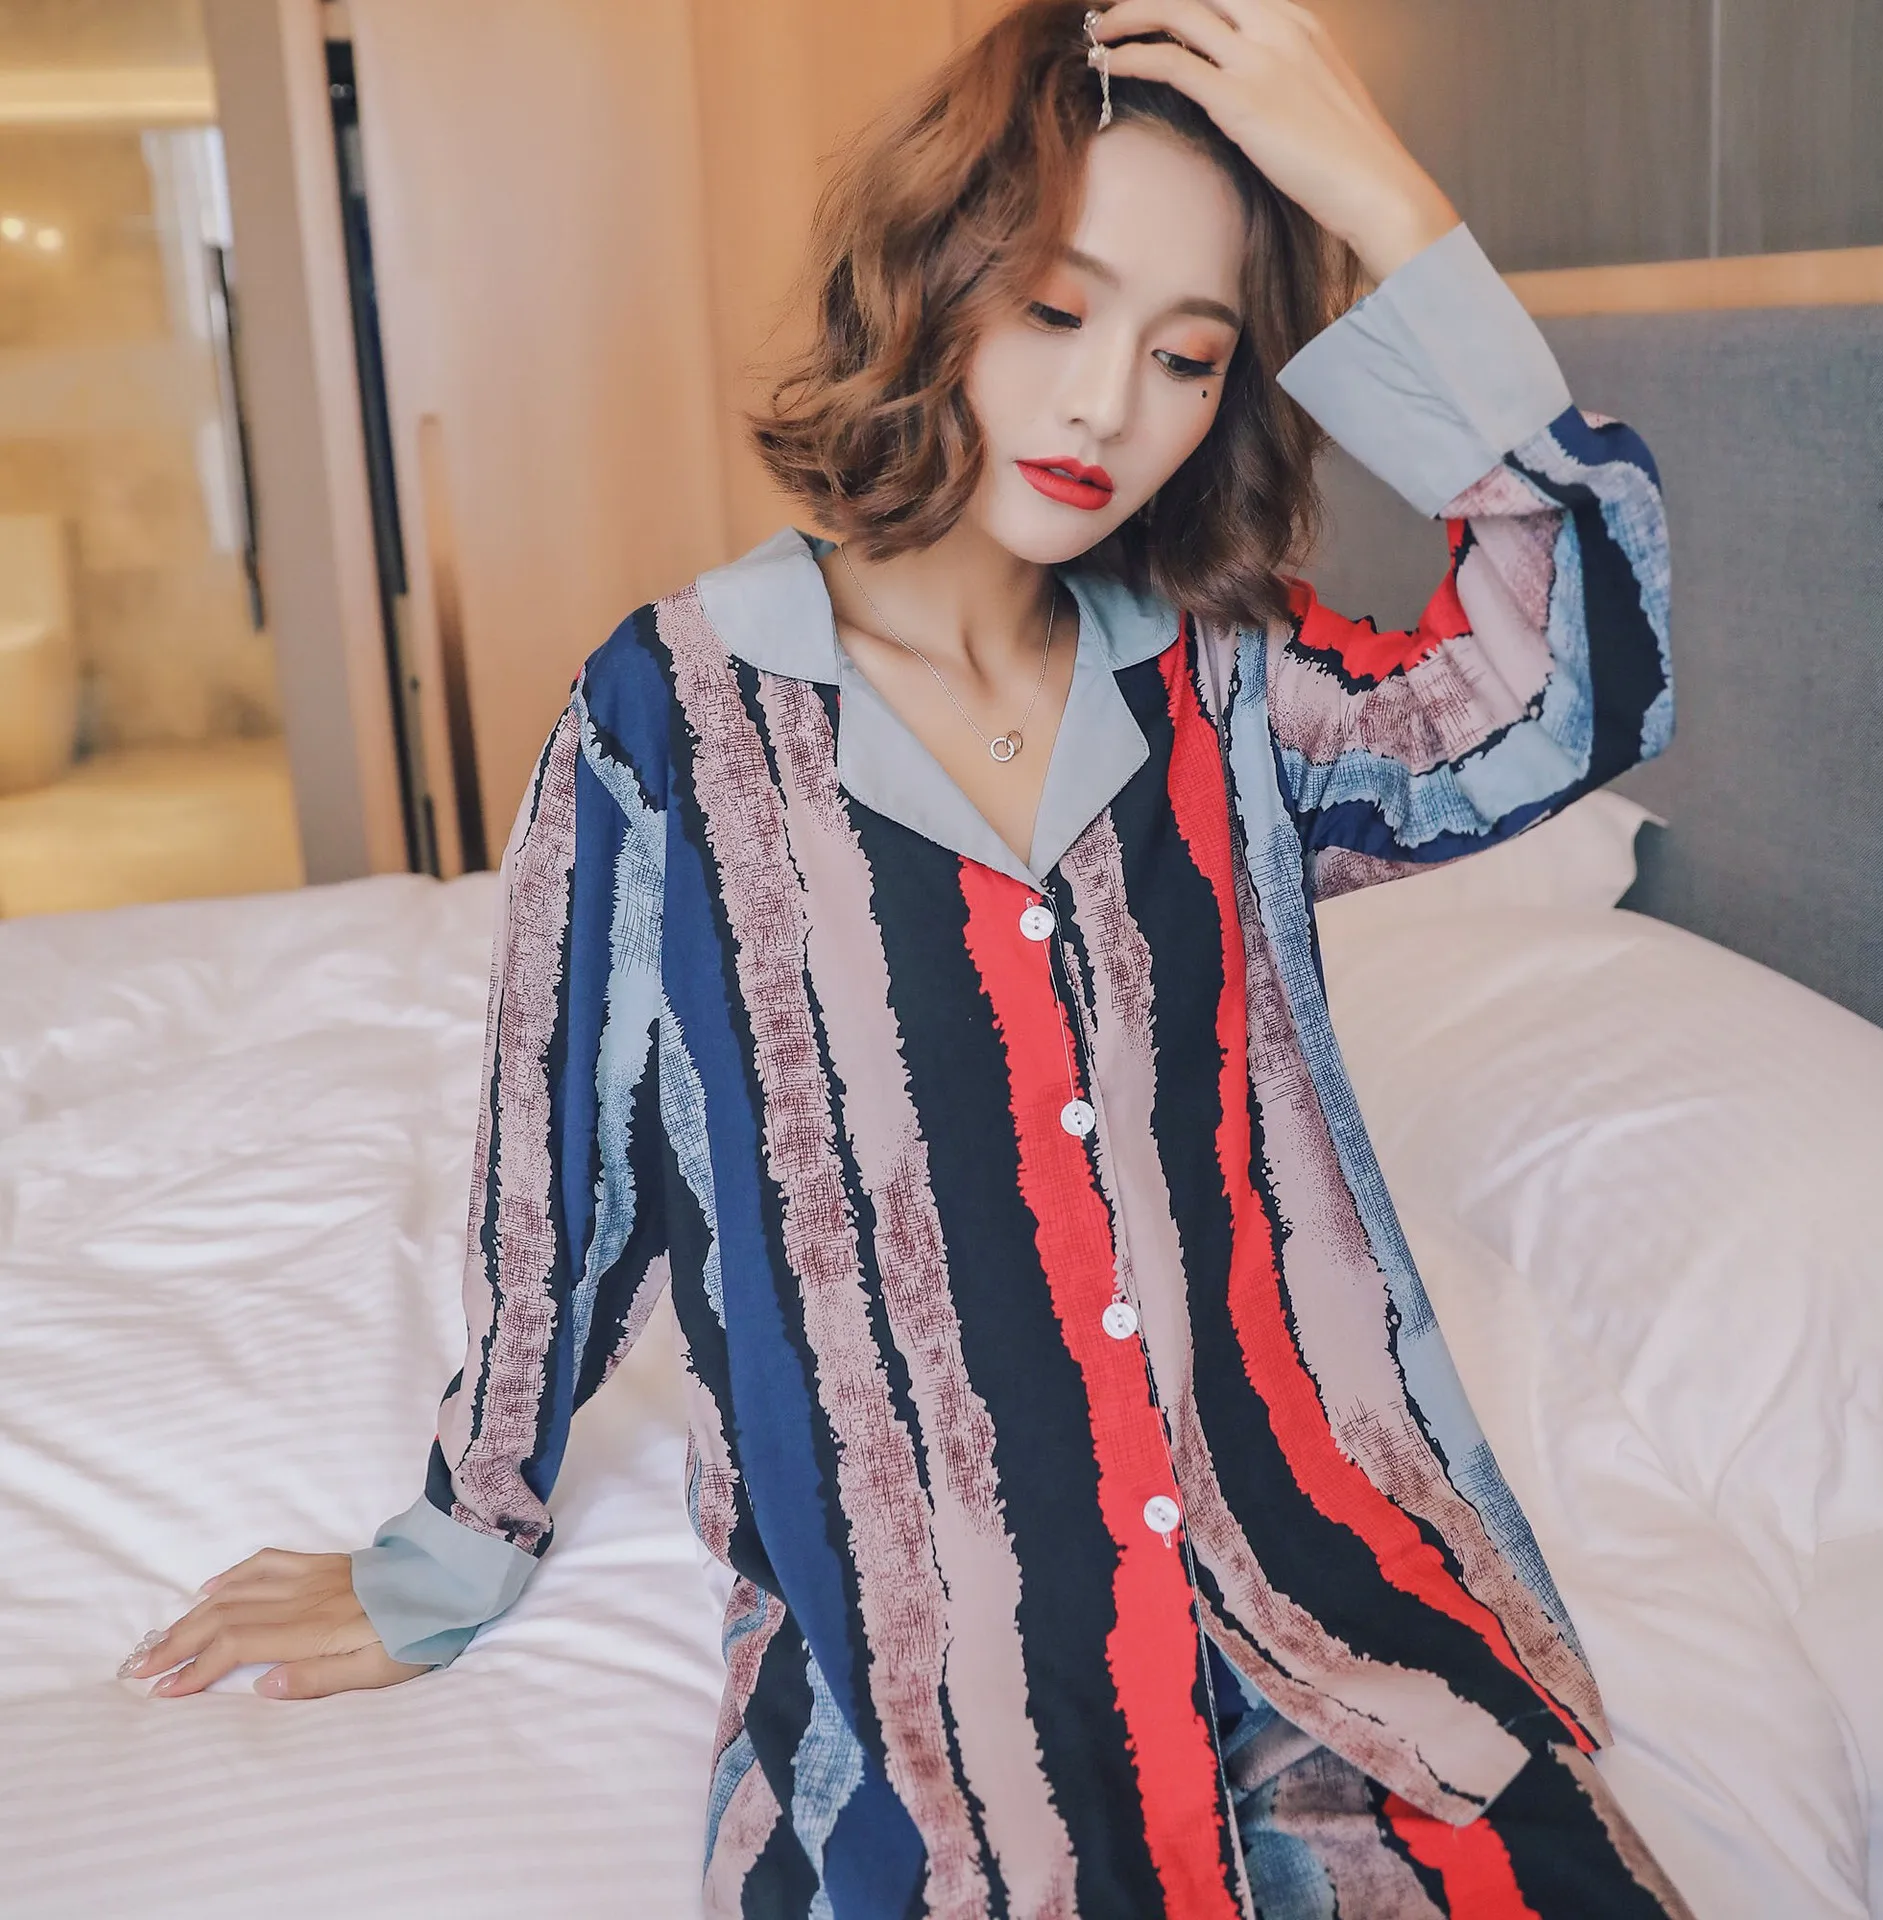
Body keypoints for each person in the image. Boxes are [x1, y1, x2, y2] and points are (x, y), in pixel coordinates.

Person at [125, 3, 1686, 1914]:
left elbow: (1575, 679)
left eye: (1186, 354)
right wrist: (458, 1544)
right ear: (931, 281)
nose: (1106, 407)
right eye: (1055, 309)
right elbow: (563, 1171)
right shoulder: (672, 717)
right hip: (936, 1661)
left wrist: (1382, 195)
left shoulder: (1236, 688)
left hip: (1322, 1601)